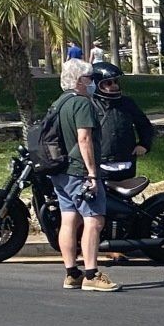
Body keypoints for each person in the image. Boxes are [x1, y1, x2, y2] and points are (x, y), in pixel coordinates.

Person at [49, 59, 118, 292]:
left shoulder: (60, 103)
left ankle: (71, 273)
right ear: (80, 81)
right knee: (94, 220)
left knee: (68, 218)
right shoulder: (82, 104)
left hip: (61, 171)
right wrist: (91, 173)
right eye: (89, 78)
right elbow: (84, 138)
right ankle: (91, 273)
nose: (92, 83)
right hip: (80, 171)